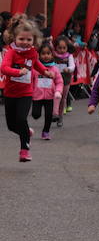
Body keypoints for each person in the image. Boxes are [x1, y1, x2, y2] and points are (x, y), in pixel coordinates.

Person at [2, 18, 52, 161]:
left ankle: (24, 150)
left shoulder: (33, 52)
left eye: (29, 39)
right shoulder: (11, 52)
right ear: (14, 38)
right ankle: (26, 132)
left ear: (34, 40)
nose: (25, 42)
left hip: (25, 93)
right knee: (11, 125)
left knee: (21, 118)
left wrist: (45, 72)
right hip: (10, 93)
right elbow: (3, 68)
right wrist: (18, 72)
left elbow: (36, 64)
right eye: (21, 39)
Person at [31, 42, 63, 141]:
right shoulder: (35, 68)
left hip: (50, 97)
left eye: (48, 53)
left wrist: (58, 91)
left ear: (52, 55)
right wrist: (30, 92)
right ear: (39, 55)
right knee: (36, 115)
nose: (46, 56)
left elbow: (59, 82)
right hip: (37, 96)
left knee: (49, 115)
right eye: (43, 53)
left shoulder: (54, 69)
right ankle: (36, 115)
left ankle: (46, 132)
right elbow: (31, 81)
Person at [52, 36, 76, 120]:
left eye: (64, 48)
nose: (62, 50)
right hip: (54, 78)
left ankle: (60, 115)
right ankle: (54, 113)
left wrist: (68, 69)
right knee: (54, 96)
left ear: (67, 47)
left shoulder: (69, 56)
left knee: (63, 97)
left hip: (65, 79)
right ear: (55, 47)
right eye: (59, 48)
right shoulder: (53, 55)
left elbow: (73, 66)